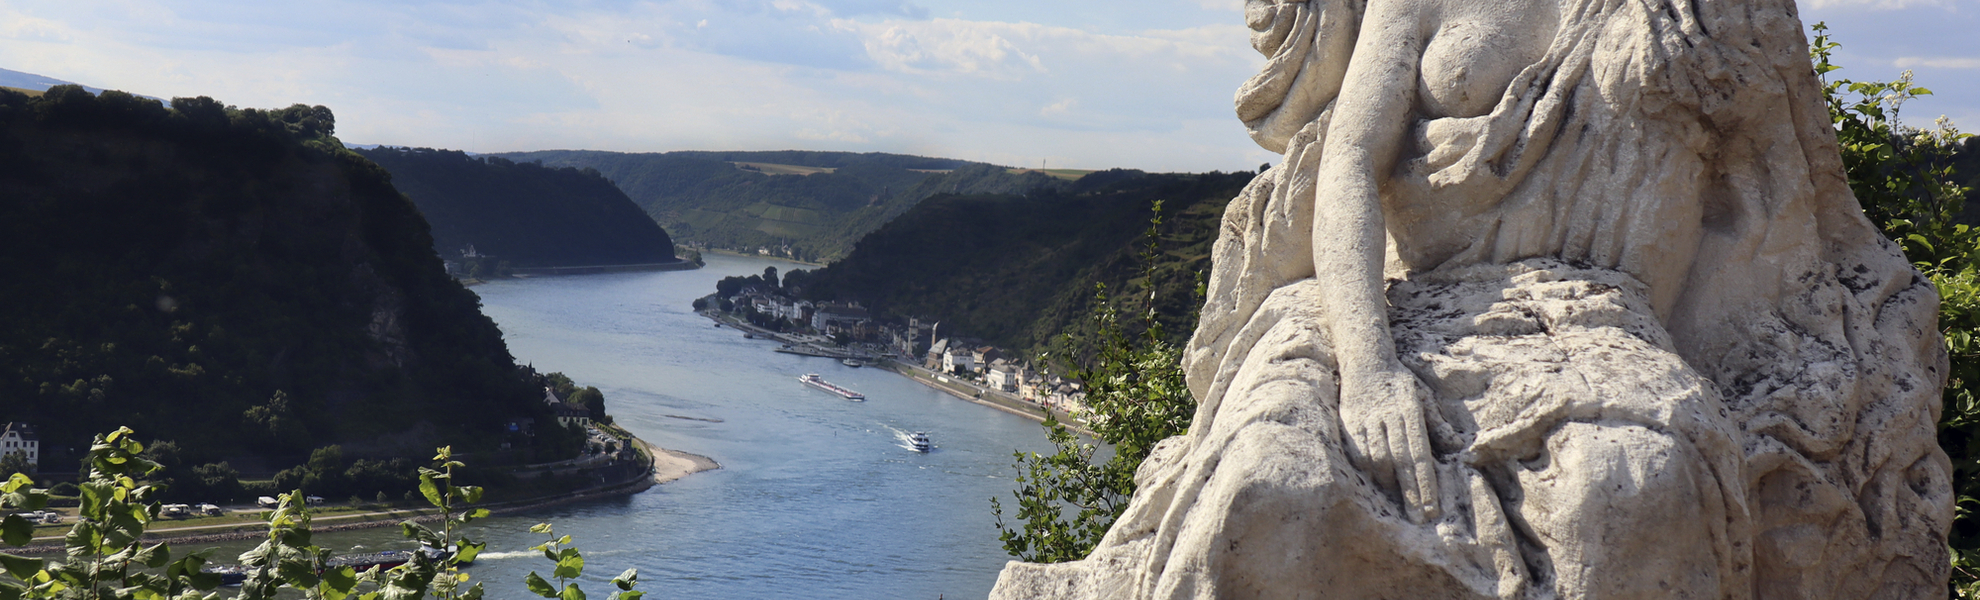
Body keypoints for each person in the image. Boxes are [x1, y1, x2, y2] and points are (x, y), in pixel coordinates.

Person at [990, 0, 1952, 597]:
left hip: (1597, 324)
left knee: (1630, 491)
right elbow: (1352, 172)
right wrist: (1367, 369)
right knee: (1269, 479)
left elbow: (1784, 210)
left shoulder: (1712, 9)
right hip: (1399, 312)